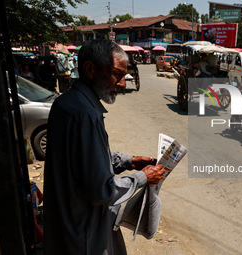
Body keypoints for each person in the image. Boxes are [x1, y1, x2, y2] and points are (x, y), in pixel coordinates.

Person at [43, 40, 165, 255]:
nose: (122, 84)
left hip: (67, 224)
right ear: (90, 69)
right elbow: (102, 190)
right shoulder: (85, 115)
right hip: (83, 233)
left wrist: (130, 161)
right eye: (116, 74)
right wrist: (142, 177)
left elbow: (84, 160)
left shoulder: (66, 103)